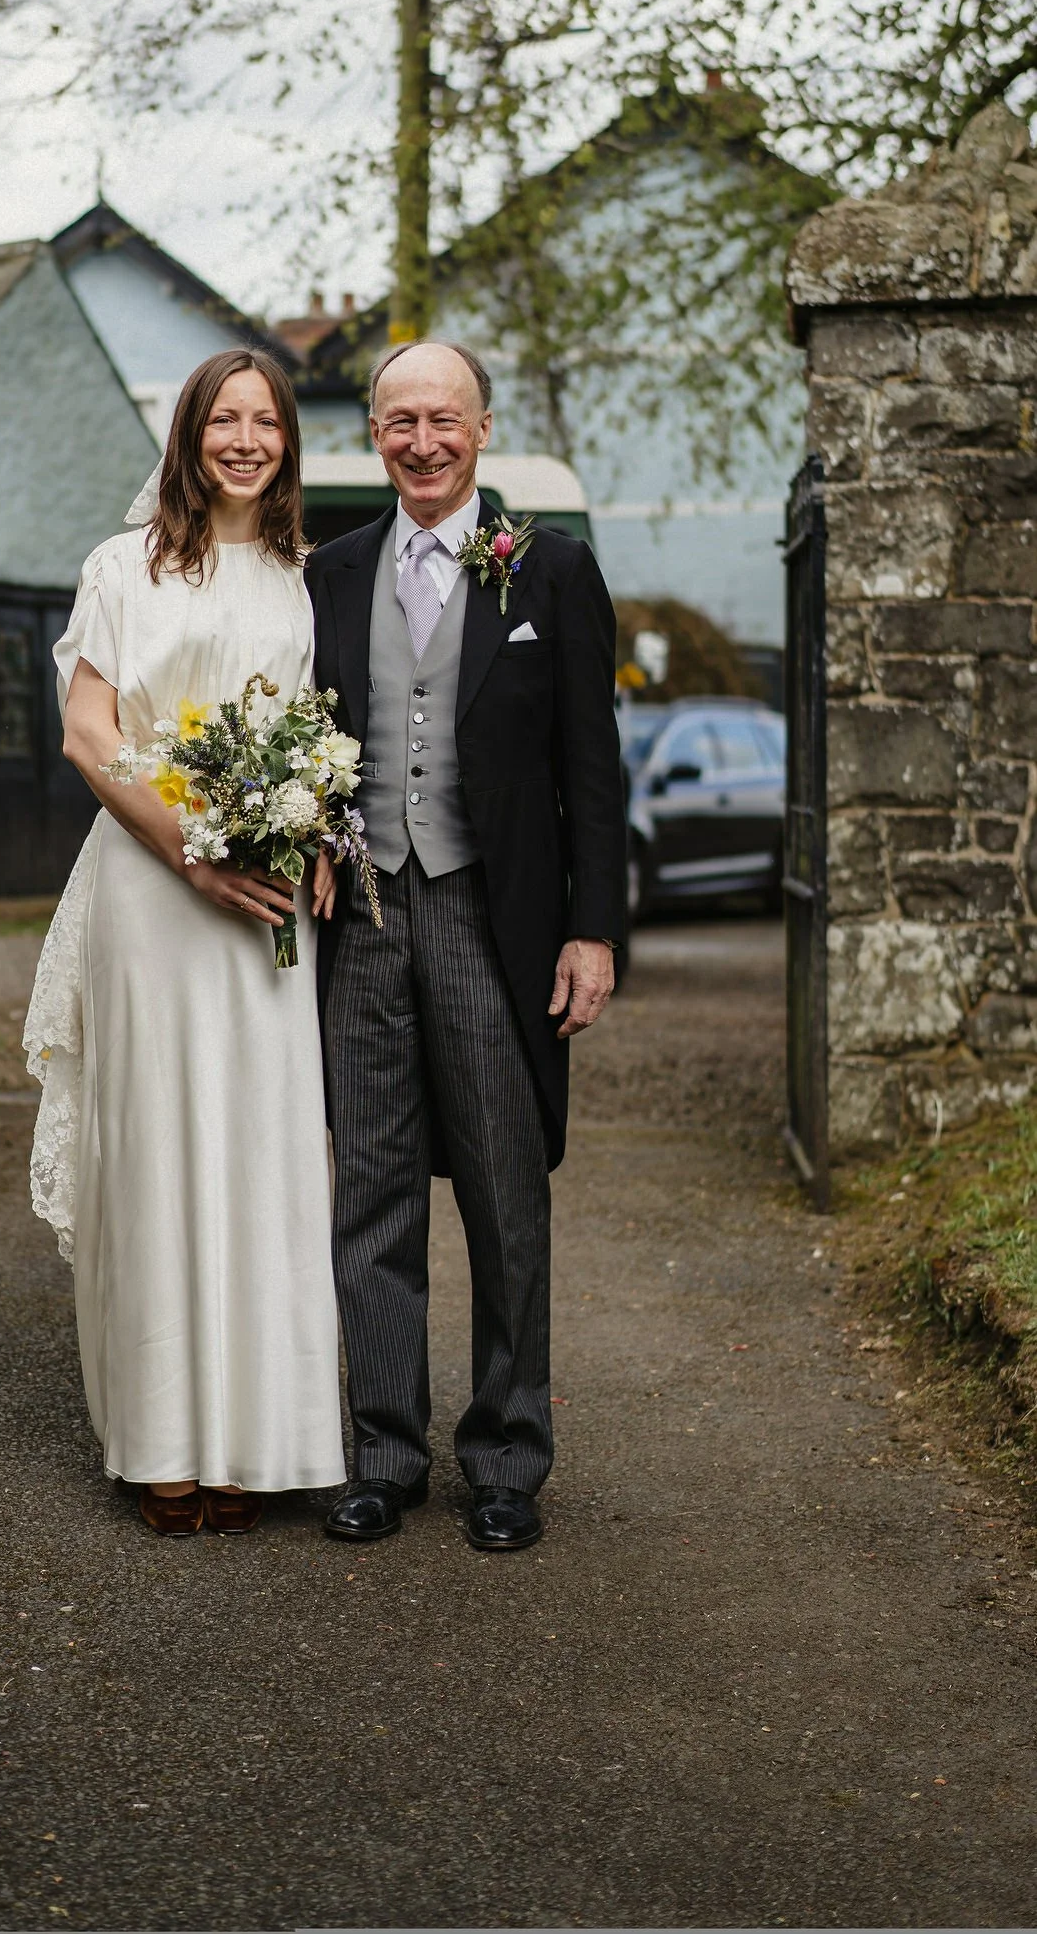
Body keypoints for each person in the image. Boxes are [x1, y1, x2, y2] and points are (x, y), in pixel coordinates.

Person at [305, 338, 627, 1553]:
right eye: (400, 422)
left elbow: (593, 770)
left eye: (444, 420)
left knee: (502, 1191)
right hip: (365, 917)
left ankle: (505, 1458)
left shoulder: (551, 572)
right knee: (372, 1189)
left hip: (493, 916)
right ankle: (384, 1452)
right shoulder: (329, 572)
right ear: (375, 436)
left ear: (483, 429)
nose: (423, 442)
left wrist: (593, 929)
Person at [23, 348, 345, 1536]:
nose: (246, 439)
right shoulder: (124, 566)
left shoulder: (306, 578)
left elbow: (321, 731)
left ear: (287, 443)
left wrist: (307, 828)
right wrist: (188, 850)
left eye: (266, 421)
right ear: (189, 434)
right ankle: (163, 1443)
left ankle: (262, 1443)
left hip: (267, 910)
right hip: (157, 892)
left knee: (263, 1158)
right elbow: (88, 731)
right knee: (159, 1151)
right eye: (225, 419)